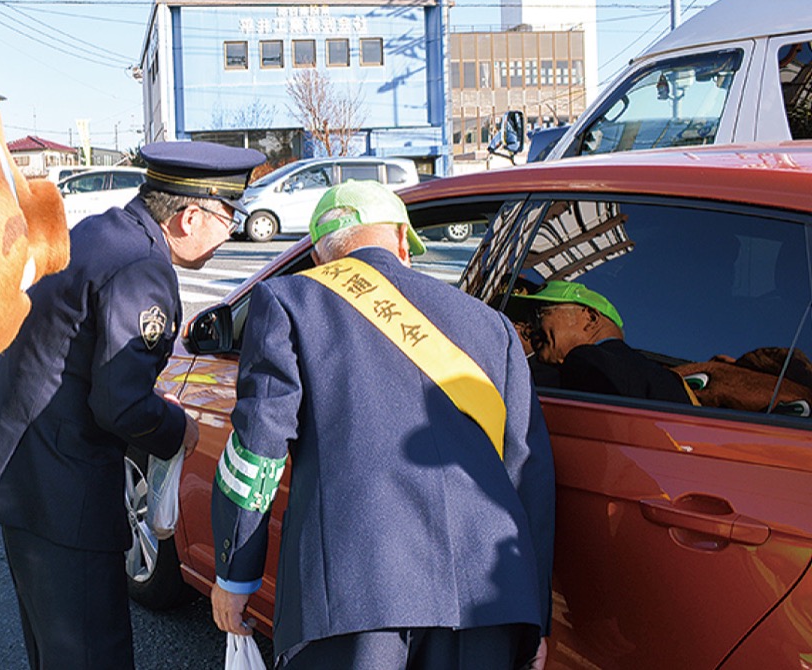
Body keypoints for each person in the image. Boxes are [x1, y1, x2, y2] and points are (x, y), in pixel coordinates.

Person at [210, 180, 555, 670]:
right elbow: (528, 475)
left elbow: (257, 450)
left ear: (318, 256)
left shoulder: (288, 301)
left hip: (356, 599)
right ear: (401, 242)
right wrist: (534, 615)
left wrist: (235, 575)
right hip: (490, 603)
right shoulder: (490, 325)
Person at [0, 139, 264, 670]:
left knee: (55, 651)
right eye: (230, 216)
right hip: (67, 492)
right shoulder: (142, 269)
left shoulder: (99, 233)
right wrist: (178, 428)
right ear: (190, 217)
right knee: (91, 655)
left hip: (25, 475)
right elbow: (122, 404)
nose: (233, 232)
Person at [519, 280, 692, 404]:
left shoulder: (587, 363)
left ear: (590, 318)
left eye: (539, 315)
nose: (531, 331)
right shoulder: (663, 379)